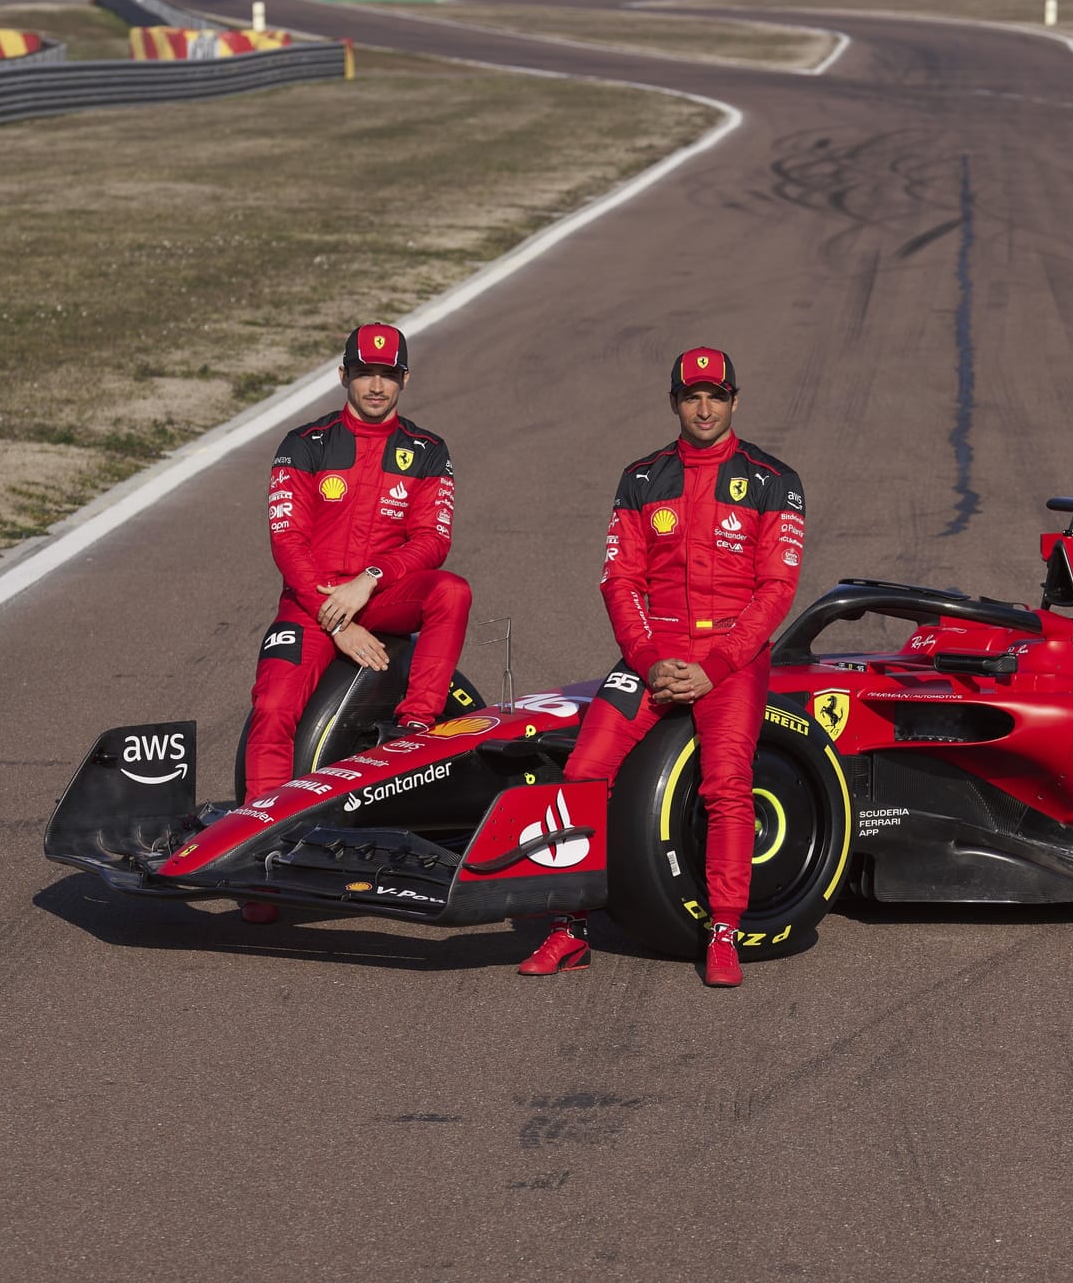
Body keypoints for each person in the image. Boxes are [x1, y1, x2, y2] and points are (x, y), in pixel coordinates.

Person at [520, 346, 805, 986]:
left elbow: (776, 591)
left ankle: (725, 930)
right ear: (673, 401)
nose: (704, 408)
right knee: (583, 770)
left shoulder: (773, 480)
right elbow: (619, 581)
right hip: (653, 651)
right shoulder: (642, 478)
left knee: (728, 784)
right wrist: (649, 660)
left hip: (733, 656)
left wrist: (718, 666)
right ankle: (569, 928)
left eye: (716, 395)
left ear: (735, 399)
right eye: (691, 396)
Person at [245, 321, 472, 811]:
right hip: (310, 605)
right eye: (364, 372)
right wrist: (336, 619)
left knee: (451, 591)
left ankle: (416, 726)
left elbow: (434, 539)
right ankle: (258, 846)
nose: (375, 386)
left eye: (387, 374)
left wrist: (370, 580)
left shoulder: (429, 452)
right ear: (342, 375)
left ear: (405, 379)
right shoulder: (303, 443)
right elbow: (287, 541)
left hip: (382, 597)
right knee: (272, 710)